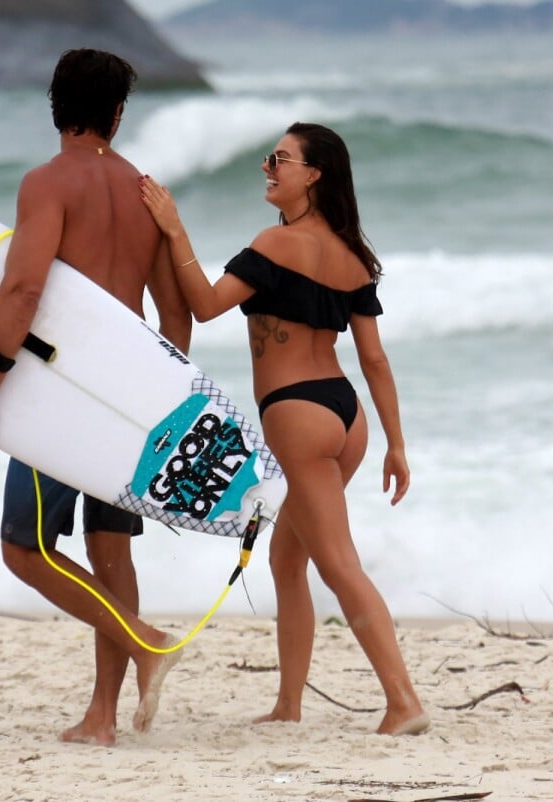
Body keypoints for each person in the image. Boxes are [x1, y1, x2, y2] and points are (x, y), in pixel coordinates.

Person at [138, 123, 429, 735]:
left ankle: (404, 703)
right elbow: (373, 359)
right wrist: (396, 443)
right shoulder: (354, 257)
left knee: (338, 563)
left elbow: (206, 305)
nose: (268, 168)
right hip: (347, 416)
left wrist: (174, 230)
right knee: (287, 555)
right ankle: (289, 704)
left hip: (298, 415)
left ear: (313, 174)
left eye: (280, 159)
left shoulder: (274, 244)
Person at [0, 49, 192, 746]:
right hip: (129, 395)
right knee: (110, 551)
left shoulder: (46, 184)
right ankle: (103, 717)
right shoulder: (148, 193)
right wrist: (157, 398)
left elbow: (22, 292)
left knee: (24, 548)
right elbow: (177, 320)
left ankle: (147, 643)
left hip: (62, 395)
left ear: (55, 106)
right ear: (117, 113)